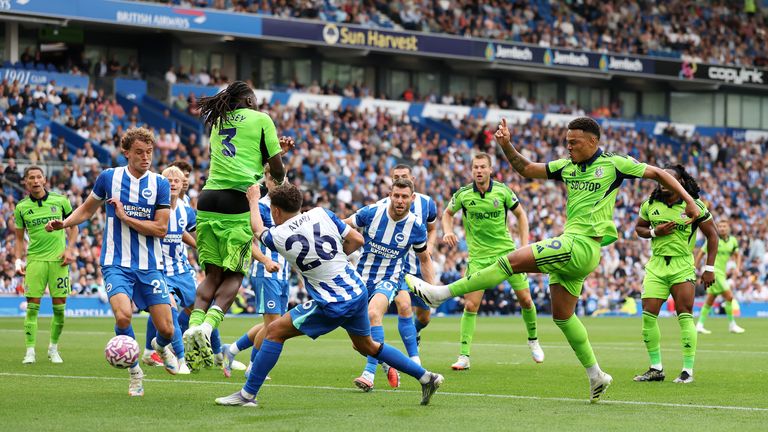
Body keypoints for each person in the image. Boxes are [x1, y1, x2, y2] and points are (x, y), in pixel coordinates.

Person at [406, 117, 703, 403]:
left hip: (580, 245)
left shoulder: (613, 164)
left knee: (510, 260)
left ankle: (441, 293)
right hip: (574, 250)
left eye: (574, 143)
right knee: (562, 315)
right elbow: (526, 168)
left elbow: (660, 174)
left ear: (592, 141)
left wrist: (689, 201)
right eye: (566, 142)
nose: (568, 147)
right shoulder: (566, 167)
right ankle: (596, 374)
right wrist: (506, 145)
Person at [215, 183, 443, 407]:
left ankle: (247, 395)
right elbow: (357, 239)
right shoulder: (321, 213)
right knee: (369, 346)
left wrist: (254, 200)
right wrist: (336, 258)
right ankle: (426, 377)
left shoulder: (280, 235)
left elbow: (257, 230)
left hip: (333, 301)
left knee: (274, 332)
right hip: (356, 289)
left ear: (275, 211)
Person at [46, 127, 179, 396]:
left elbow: (161, 229)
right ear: (126, 152)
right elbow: (86, 209)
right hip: (116, 262)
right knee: (123, 314)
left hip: (150, 264)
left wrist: (125, 217)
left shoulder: (160, 184)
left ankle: (159, 345)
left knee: (166, 329)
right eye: (139, 152)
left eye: (149, 153)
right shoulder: (109, 177)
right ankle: (135, 373)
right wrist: (65, 223)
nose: (146, 157)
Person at [183, 81, 294, 371]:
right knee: (234, 274)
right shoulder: (261, 120)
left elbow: (239, 157)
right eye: (253, 99)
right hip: (238, 201)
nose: (256, 104)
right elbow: (277, 168)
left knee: (212, 274)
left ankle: (194, 323)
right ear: (245, 99)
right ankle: (207, 328)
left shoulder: (217, 123)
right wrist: (280, 184)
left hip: (207, 200)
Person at [442, 152, 542, 370]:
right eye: (475, 167)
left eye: (482, 167)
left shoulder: (503, 191)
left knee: (525, 300)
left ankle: (533, 340)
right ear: (472, 170)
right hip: (479, 257)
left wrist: (524, 245)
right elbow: (447, 214)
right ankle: (464, 356)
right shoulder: (463, 195)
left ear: (490, 170)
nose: (478, 170)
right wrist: (447, 231)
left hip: (507, 253)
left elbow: (521, 216)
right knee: (470, 304)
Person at [343, 178, 436, 391]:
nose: (400, 201)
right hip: (361, 279)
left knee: (374, 314)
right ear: (389, 195)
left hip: (389, 280)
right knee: (359, 343)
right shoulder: (372, 212)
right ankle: (386, 362)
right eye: (396, 196)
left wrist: (431, 290)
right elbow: (345, 224)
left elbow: (424, 259)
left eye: (405, 197)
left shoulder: (416, 226)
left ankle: (369, 375)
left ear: (412, 198)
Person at [632, 165, 718, 384]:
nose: (663, 182)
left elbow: (712, 235)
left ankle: (687, 370)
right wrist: (654, 232)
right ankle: (656, 368)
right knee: (648, 315)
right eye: (661, 178)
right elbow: (639, 229)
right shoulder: (650, 205)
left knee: (684, 314)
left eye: (669, 178)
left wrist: (709, 268)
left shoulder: (694, 206)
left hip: (682, 265)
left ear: (680, 182)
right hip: (656, 265)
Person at [222, 169, 291, 378]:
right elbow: (249, 242)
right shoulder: (259, 207)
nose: (279, 183)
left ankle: (231, 350)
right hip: (266, 272)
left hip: (283, 272)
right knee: (274, 327)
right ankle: (254, 366)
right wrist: (265, 260)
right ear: (266, 182)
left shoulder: (288, 207)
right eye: (274, 180)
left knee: (271, 324)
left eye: (282, 179)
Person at [15, 166, 78, 364]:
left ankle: (53, 348)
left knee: (59, 309)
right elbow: (18, 239)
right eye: (31, 178)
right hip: (35, 262)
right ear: (25, 182)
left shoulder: (60, 201)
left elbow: (74, 227)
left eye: (38, 177)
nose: (35, 181)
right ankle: (30, 351)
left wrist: (70, 250)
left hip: (59, 262)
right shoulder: (21, 207)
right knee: (32, 308)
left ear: (44, 179)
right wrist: (18, 260)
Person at [141, 166, 197, 375]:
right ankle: (181, 358)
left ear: (183, 184)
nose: (173, 183)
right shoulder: (152, 207)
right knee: (169, 308)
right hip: (158, 269)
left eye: (177, 180)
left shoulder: (186, 210)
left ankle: (156, 345)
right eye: (168, 180)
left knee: (200, 307)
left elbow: (187, 232)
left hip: (181, 269)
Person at [381, 165, 438, 351]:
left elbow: (433, 229)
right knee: (404, 306)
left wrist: (429, 247)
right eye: (395, 177)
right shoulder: (381, 207)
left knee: (424, 317)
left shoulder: (427, 203)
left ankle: (415, 332)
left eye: (403, 176)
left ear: (412, 179)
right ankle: (411, 357)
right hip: (397, 269)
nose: (399, 179)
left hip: (420, 266)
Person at [696, 221, 746, 334]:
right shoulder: (713, 239)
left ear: (728, 228)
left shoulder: (733, 241)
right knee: (729, 296)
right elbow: (701, 253)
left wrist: (738, 267)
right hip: (713, 272)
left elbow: (737, 255)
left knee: (710, 299)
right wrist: (695, 266)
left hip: (722, 273)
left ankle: (699, 325)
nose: (722, 228)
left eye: (724, 226)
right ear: (717, 228)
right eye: (720, 226)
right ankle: (732, 325)